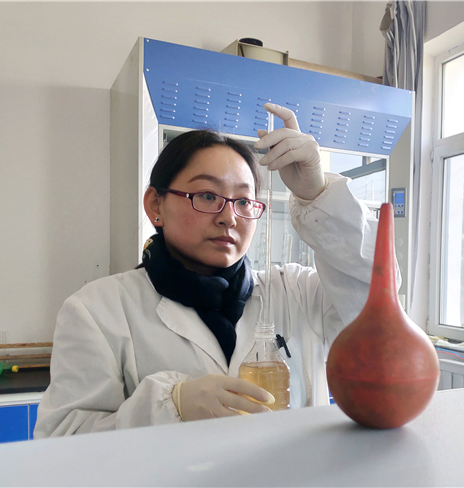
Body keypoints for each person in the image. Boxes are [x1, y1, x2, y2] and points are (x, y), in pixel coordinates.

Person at [35, 104, 385, 437]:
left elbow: (379, 303)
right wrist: (167, 407)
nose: (229, 217)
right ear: (156, 205)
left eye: (243, 201)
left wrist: (318, 195)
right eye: (206, 195)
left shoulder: (297, 292)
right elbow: (64, 441)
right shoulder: (97, 311)